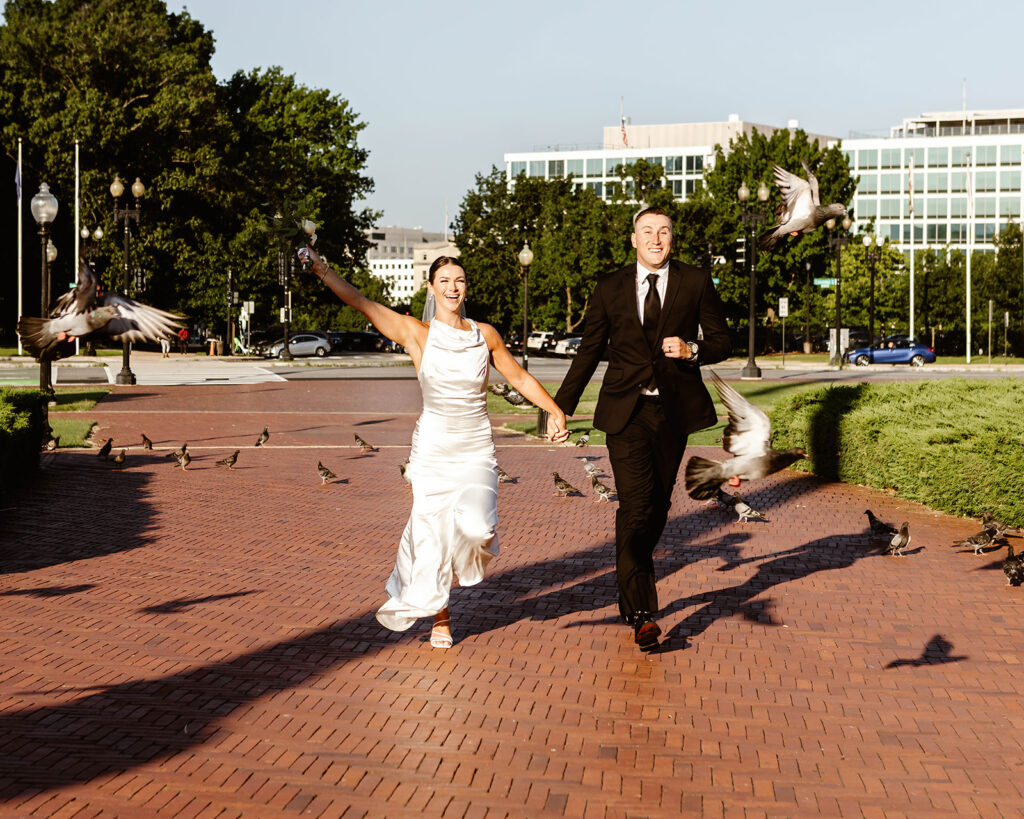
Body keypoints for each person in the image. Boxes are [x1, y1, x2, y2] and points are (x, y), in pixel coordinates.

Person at [299, 246, 569, 648]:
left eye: (458, 280)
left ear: (466, 287)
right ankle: (440, 615)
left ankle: (453, 570)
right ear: (431, 288)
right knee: (433, 536)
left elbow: (519, 377)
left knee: (479, 527)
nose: (452, 287)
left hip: (476, 447)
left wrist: (554, 410)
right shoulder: (417, 334)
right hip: (433, 450)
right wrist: (321, 269)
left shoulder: (485, 335)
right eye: (444, 281)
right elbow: (361, 302)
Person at [554, 206, 731, 652]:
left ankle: (630, 585)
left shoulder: (694, 280)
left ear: (673, 239)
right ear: (633, 239)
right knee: (635, 507)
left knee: (656, 508)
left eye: (664, 232)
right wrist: (560, 408)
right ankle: (641, 614)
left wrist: (692, 348)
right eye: (647, 232)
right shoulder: (609, 286)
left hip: (673, 414)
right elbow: (589, 351)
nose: (656, 239)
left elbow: (723, 340)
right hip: (625, 413)